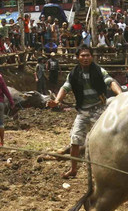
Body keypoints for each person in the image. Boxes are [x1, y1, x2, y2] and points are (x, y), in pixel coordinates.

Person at [48, 45, 122, 179]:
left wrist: (121, 95)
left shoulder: (99, 70)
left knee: (104, 139)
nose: (85, 58)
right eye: (82, 55)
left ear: (92, 57)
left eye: (88, 55)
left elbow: (110, 82)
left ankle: (109, 169)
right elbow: (65, 88)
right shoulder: (74, 74)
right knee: (75, 140)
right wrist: (57, 101)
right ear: (77, 58)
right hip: (82, 111)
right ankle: (73, 169)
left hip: (99, 109)